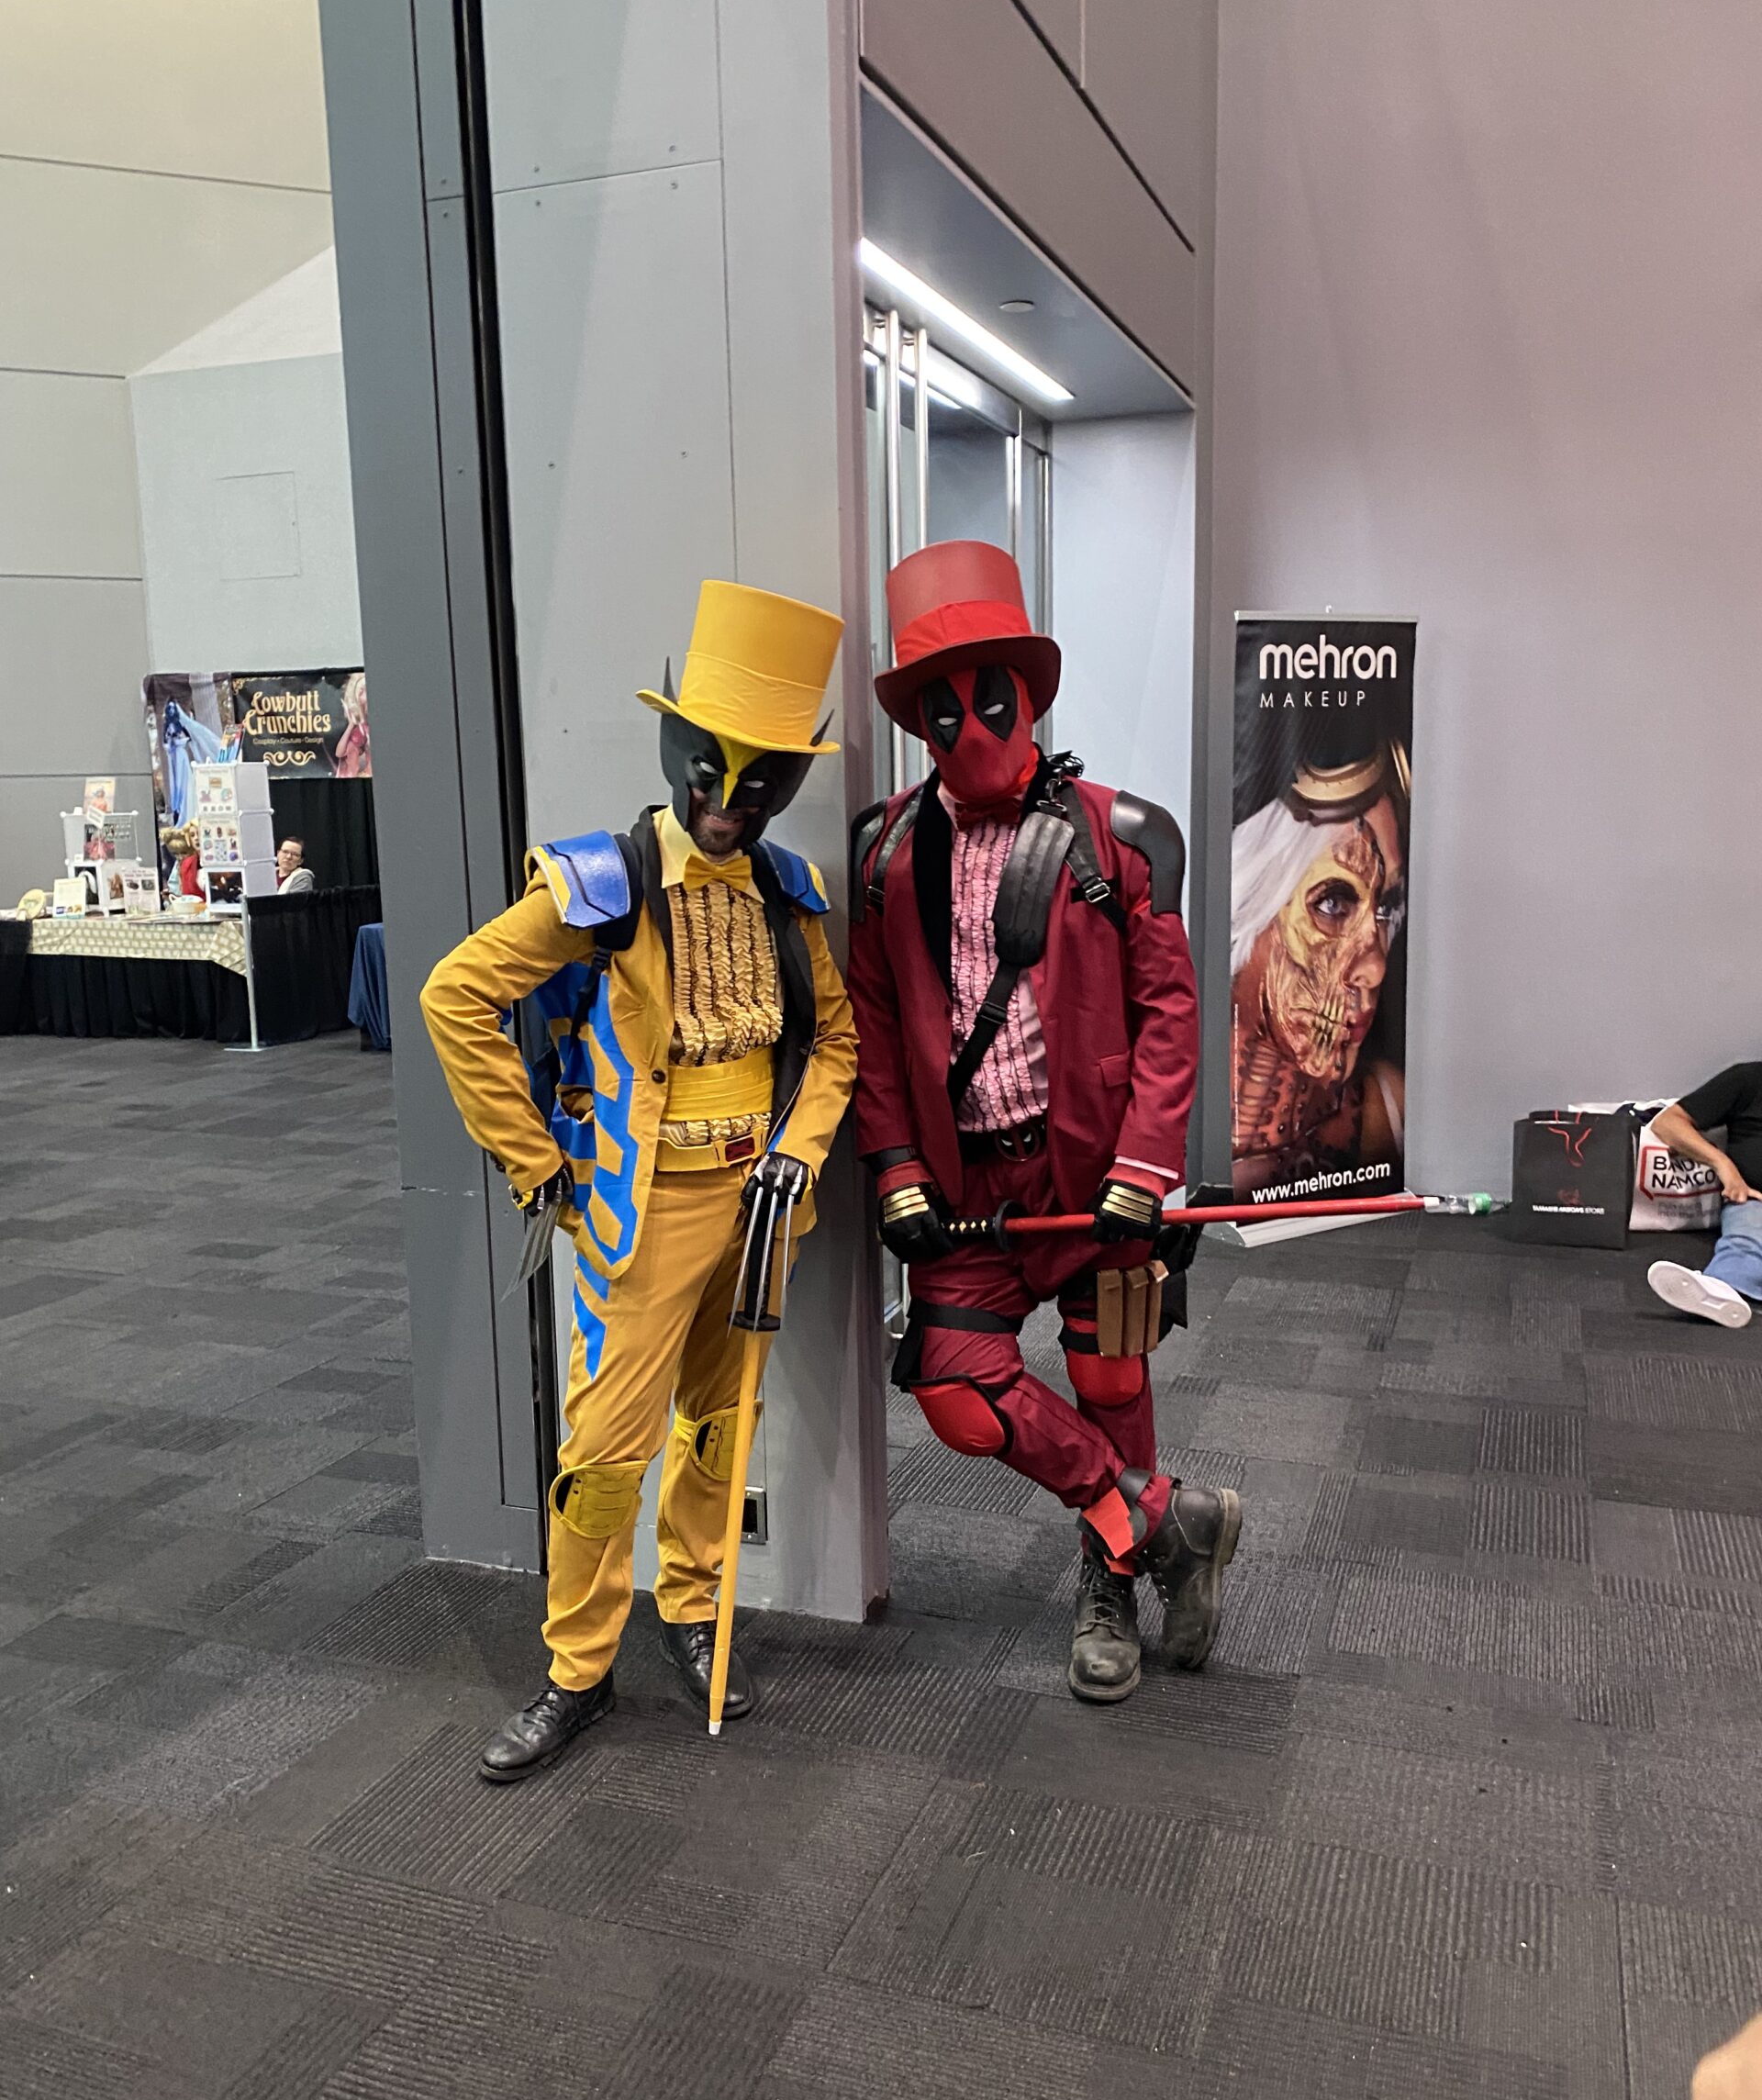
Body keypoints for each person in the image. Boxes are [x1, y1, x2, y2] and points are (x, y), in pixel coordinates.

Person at [420, 579, 856, 1781]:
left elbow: (833, 1045)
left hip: (758, 1214)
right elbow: (456, 996)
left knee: (721, 1427)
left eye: (764, 780)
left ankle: (696, 1606)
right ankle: (576, 1669)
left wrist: (798, 1152)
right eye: (715, 771)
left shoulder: (786, 897)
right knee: (606, 1455)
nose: (732, 803)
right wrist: (535, 1164)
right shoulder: (602, 884)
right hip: (640, 1215)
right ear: (677, 750)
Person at [845, 539, 1223, 1708]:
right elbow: (866, 1018)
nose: (968, 723)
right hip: (968, 1197)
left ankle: (1108, 1576)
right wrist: (897, 1161)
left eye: (989, 695)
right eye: (940, 705)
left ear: (1031, 690)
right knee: (957, 1391)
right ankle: (1149, 1520)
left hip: (1094, 1176)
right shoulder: (884, 851)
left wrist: (1148, 1161)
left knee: (1112, 1380)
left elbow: (1170, 1009)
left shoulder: (1123, 835)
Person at [1230, 736, 1409, 1195]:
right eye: (1332, 902)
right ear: (1252, 903)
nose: (1373, 970)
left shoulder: (1394, 1114)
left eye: (1385, 908)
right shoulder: (1158, 1127)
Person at [1645, 1062, 1762, 1329]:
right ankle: (1719, 1291)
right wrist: (1723, 1165)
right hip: (1755, 1202)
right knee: (1746, 1240)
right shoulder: (1750, 1080)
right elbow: (1668, 1123)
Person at [335, 672, 372, 778]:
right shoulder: (358, 727)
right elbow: (339, 753)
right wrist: (351, 726)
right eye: (361, 692)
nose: (365, 695)